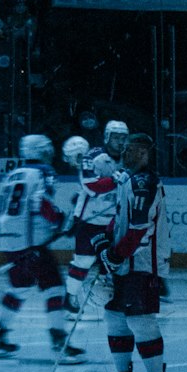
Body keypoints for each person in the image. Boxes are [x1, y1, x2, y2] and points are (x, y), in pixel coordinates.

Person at [90, 132, 171, 372]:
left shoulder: (145, 183)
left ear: (145, 153)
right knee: (114, 317)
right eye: (124, 149)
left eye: (132, 149)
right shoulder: (129, 179)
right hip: (126, 262)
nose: (125, 153)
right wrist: (106, 238)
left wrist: (114, 254)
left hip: (142, 264)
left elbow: (138, 230)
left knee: (141, 320)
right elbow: (121, 218)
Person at [0, 134, 86, 362]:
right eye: (46, 149)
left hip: (8, 239)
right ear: (40, 151)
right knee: (54, 288)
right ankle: (59, 341)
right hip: (29, 241)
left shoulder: (12, 174)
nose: (49, 153)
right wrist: (62, 221)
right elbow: (40, 203)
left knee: (19, 287)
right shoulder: (43, 172)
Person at [66, 118, 128, 310]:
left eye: (123, 138)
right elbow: (91, 186)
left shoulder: (130, 158)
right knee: (83, 261)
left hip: (115, 221)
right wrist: (114, 180)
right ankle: (69, 298)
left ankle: (113, 299)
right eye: (116, 137)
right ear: (107, 137)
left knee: (114, 263)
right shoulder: (92, 156)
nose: (120, 142)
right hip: (90, 220)